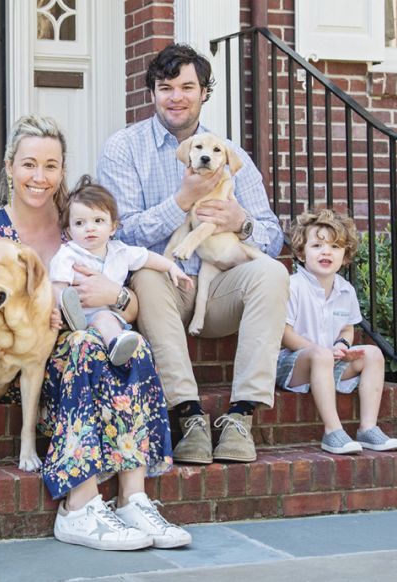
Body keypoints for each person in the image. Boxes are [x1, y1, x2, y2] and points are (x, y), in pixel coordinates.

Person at [0, 114, 191, 551]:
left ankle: (133, 498)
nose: (39, 177)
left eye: (51, 166)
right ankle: (79, 506)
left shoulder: (82, 220)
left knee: (133, 346)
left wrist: (115, 297)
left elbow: (133, 306)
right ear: (10, 167)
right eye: (29, 164)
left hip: (76, 347)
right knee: (85, 348)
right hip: (14, 368)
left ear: (62, 171)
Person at [97, 43, 289, 465]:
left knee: (273, 274)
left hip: (218, 286)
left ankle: (241, 415)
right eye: (166, 87)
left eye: (188, 86)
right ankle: (187, 416)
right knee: (145, 275)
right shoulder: (124, 148)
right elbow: (119, 233)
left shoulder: (229, 153)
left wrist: (242, 222)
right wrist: (181, 201)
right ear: (152, 92)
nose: (177, 96)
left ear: (204, 92)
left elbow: (273, 237)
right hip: (161, 288)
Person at [278, 209, 397, 454]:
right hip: (292, 366)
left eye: (335, 246)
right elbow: (285, 333)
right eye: (317, 245)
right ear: (301, 253)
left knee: (372, 354)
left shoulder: (345, 290)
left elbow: (347, 327)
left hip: (328, 361)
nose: (326, 252)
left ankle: (368, 428)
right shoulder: (293, 286)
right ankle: (333, 432)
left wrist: (343, 346)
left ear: (345, 256)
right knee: (322, 356)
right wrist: (320, 351)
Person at [50, 175, 194, 367]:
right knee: (75, 300)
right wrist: (58, 309)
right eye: (79, 223)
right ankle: (77, 317)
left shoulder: (120, 251)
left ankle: (117, 343)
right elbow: (58, 285)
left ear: (113, 227)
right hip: (73, 313)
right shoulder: (68, 253)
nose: (89, 228)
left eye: (98, 220)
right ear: (68, 232)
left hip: (104, 310)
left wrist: (172, 267)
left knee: (106, 318)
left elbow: (147, 257)